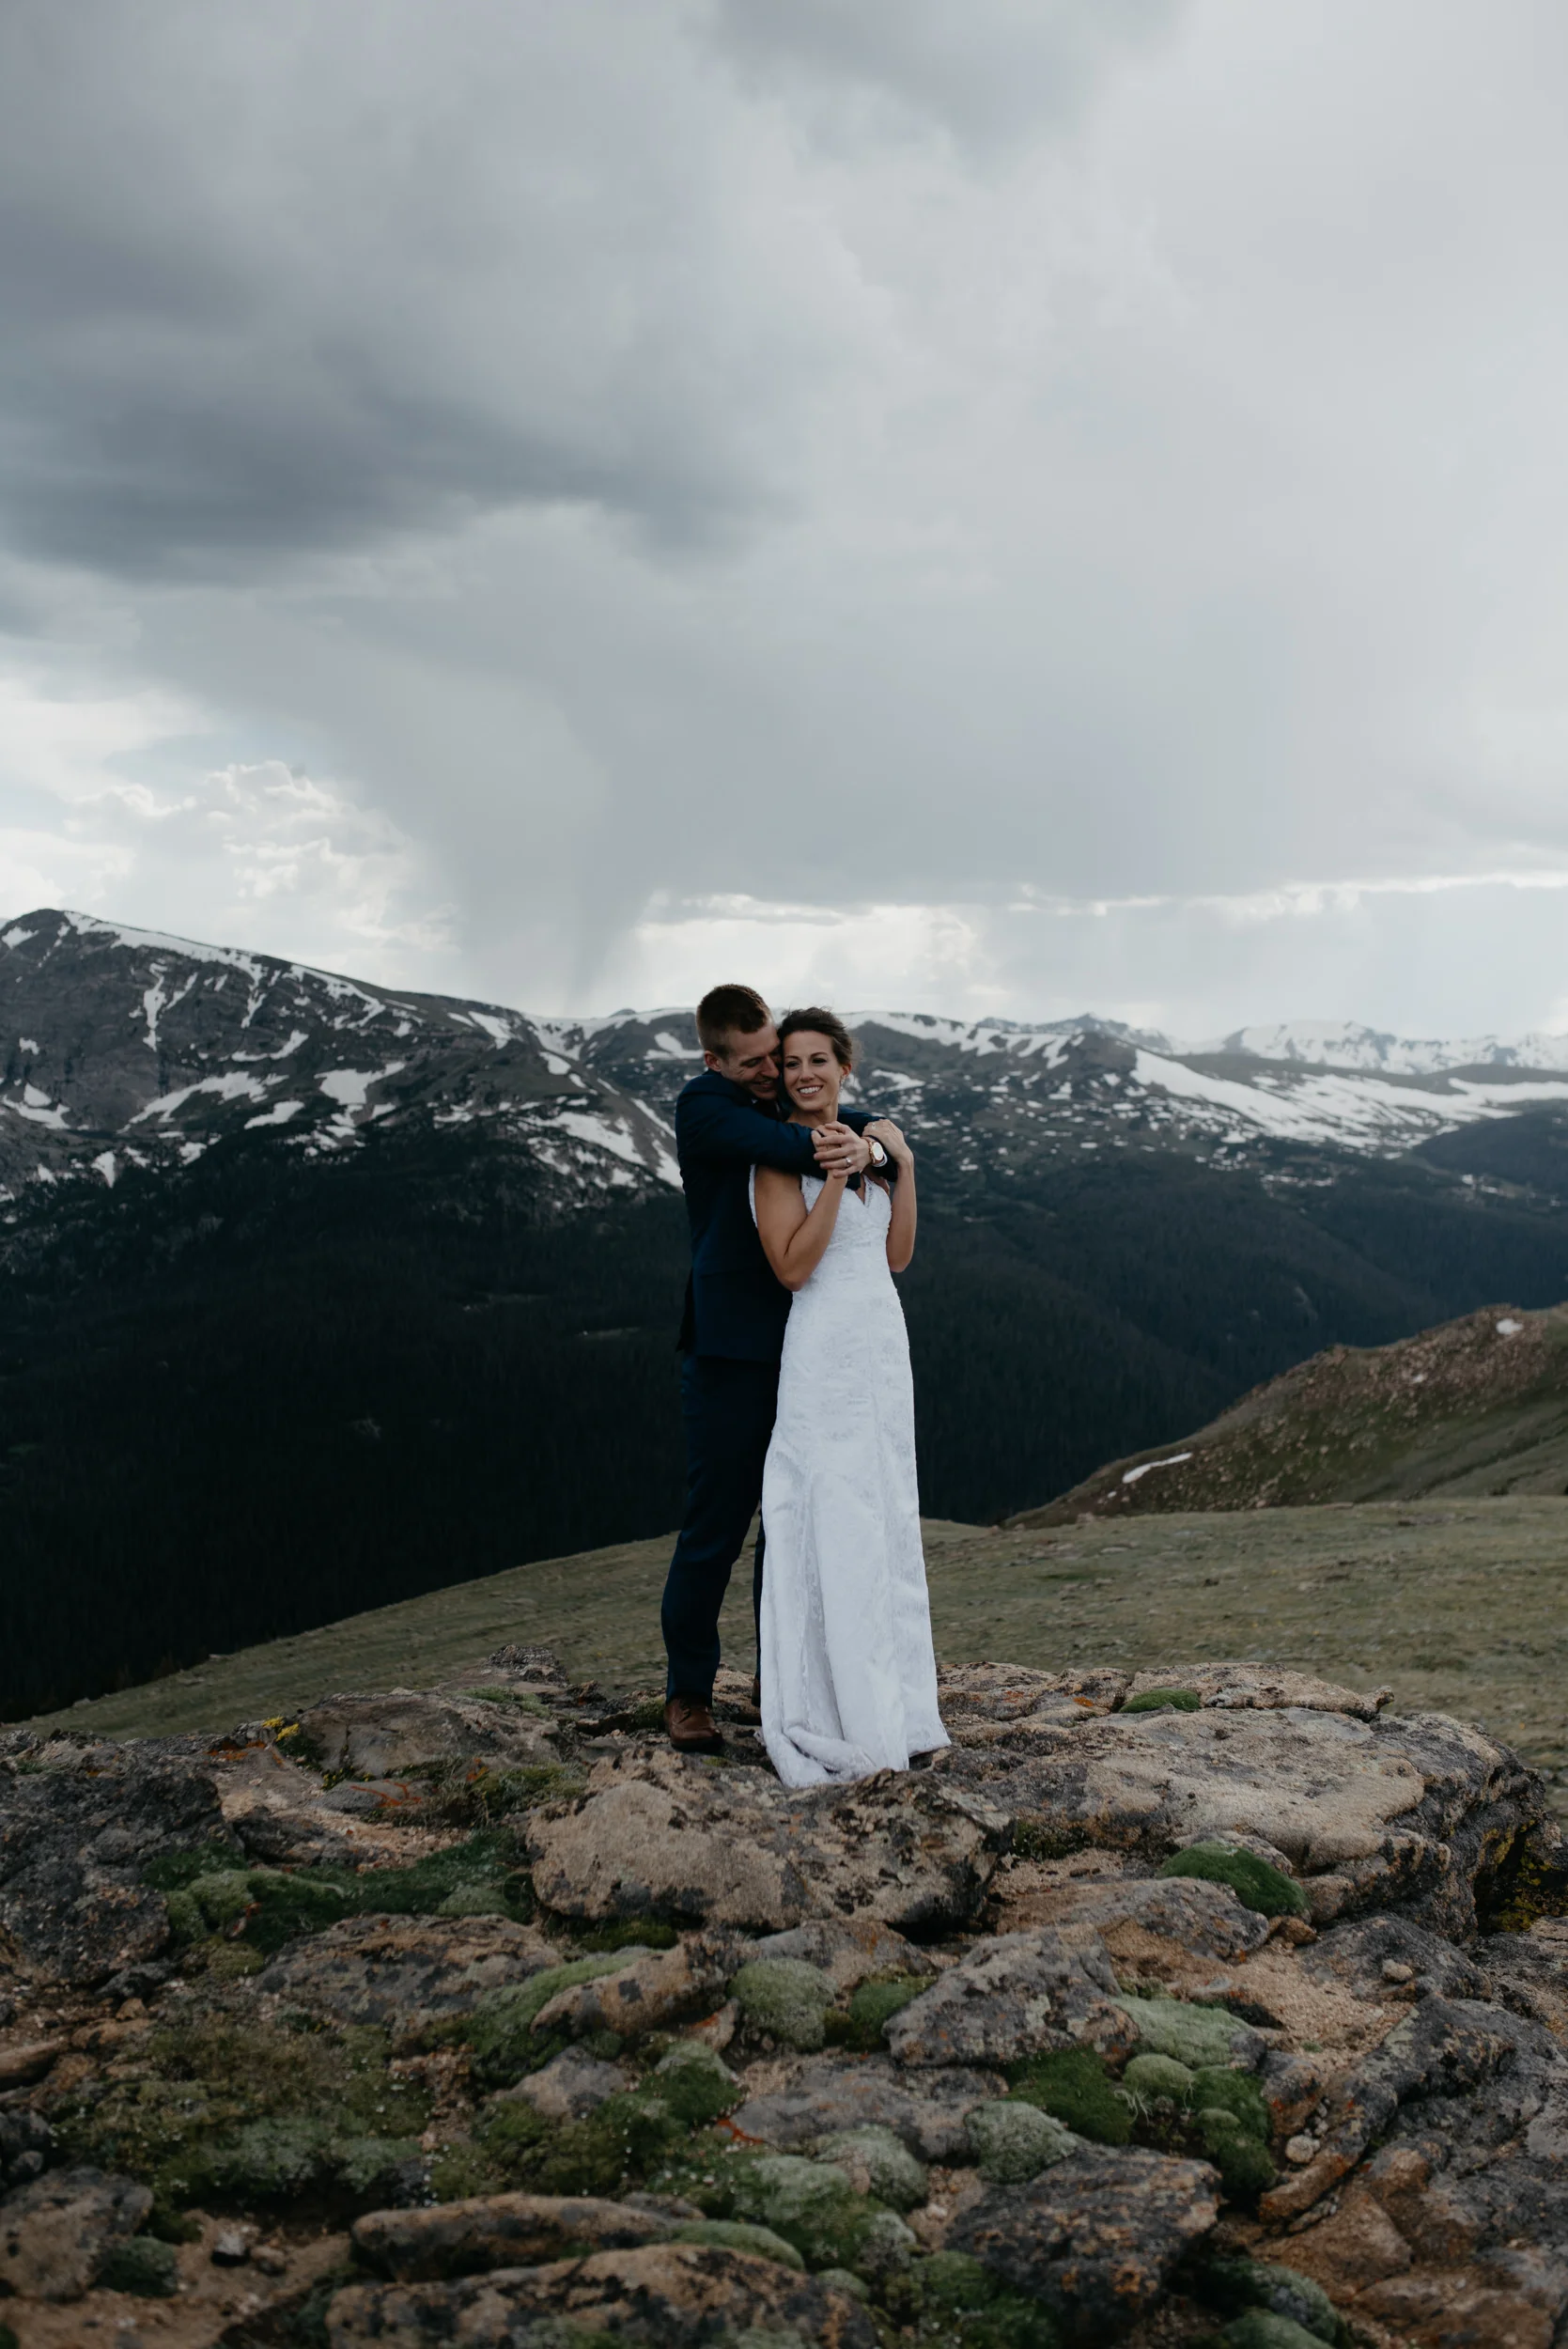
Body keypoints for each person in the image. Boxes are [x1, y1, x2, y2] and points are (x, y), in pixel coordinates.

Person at [660, 984, 890, 1751]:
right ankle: (688, 1693)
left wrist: (880, 1144)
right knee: (716, 1528)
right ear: (714, 1060)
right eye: (755, 1063)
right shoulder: (704, 1107)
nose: (771, 1073)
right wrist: (866, 1149)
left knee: (790, 1527)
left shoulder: (767, 1101)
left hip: (806, 1349)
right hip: (730, 1351)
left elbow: (850, 1120)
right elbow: (800, 1144)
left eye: (776, 1057)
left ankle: (778, 1683)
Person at [750, 1008, 947, 1785]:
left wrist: (902, 1165)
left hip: (881, 1347)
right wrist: (833, 1178)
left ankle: (904, 1711)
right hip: (823, 1348)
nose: (804, 1074)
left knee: (887, 1511)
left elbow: (898, 1256)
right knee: (835, 1514)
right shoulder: (776, 1161)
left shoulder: (874, 1149)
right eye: (791, 1063)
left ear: (844, 1069)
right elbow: (792, 1269)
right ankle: (839, 1713)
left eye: (817, 1060)